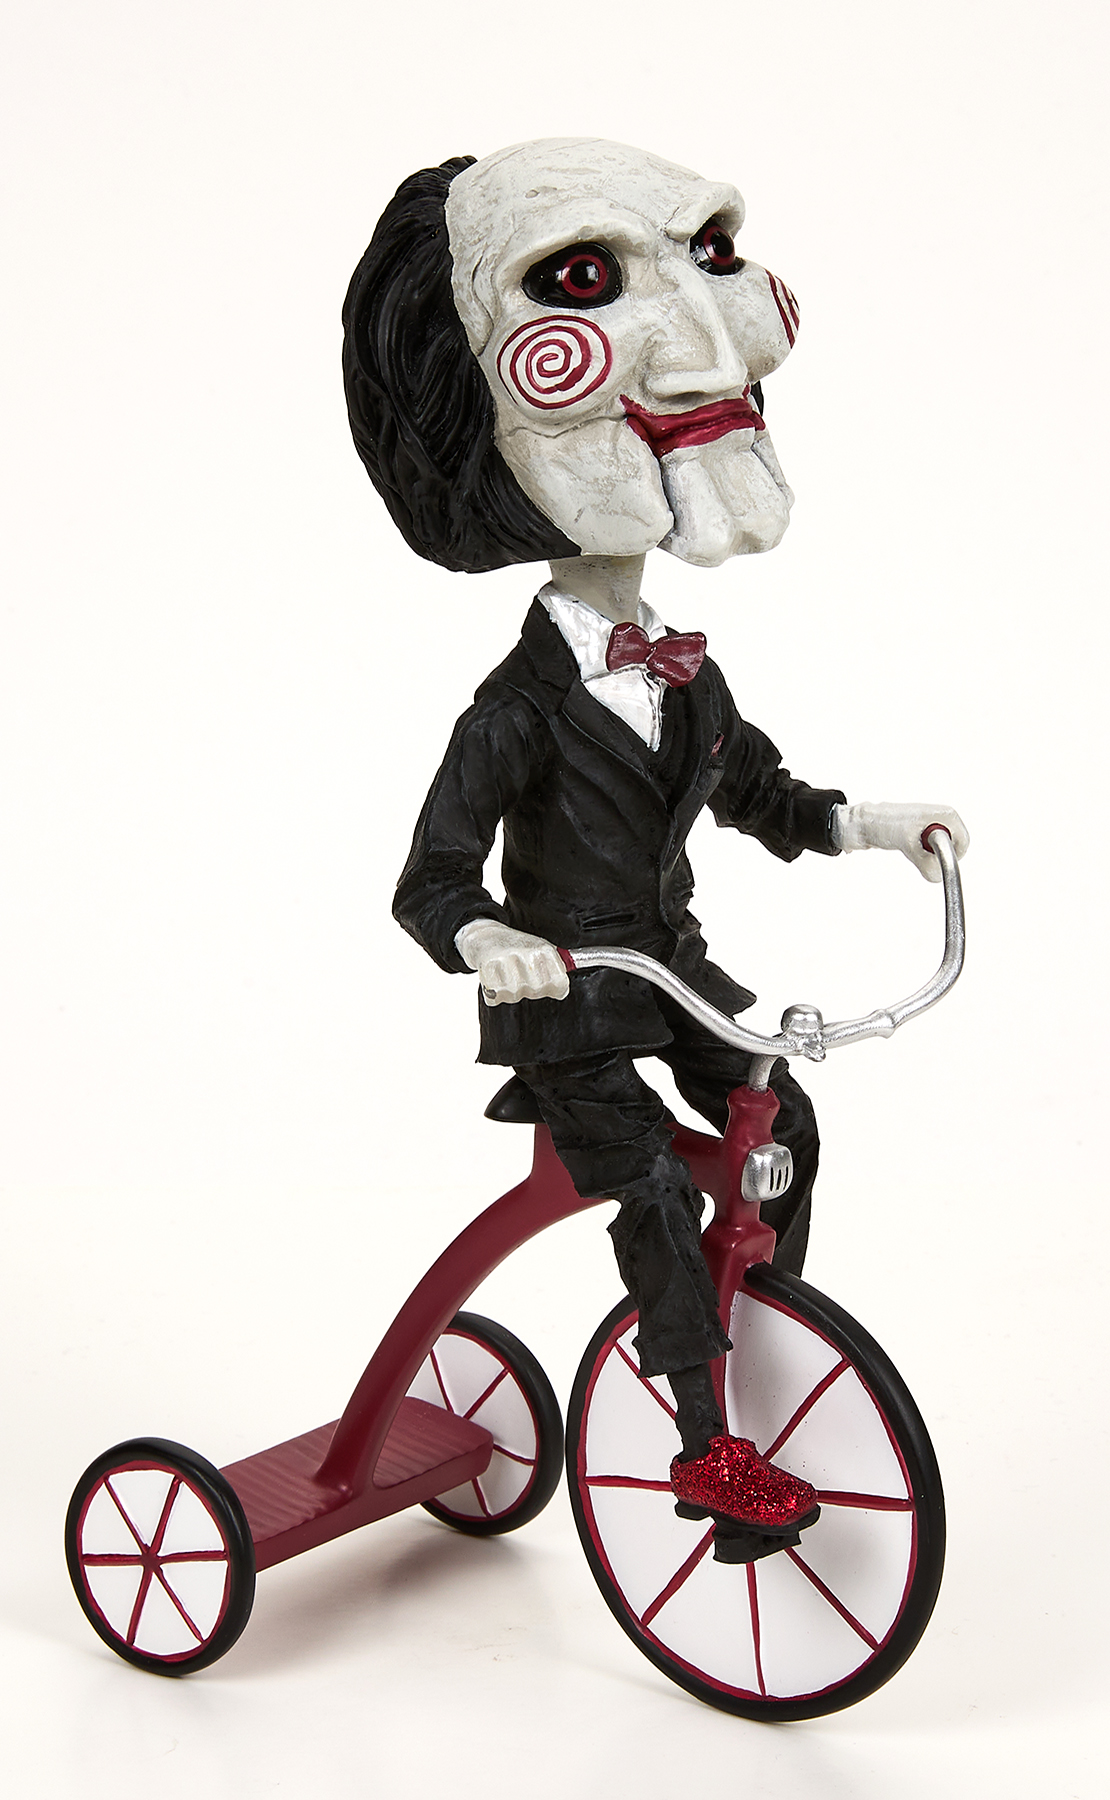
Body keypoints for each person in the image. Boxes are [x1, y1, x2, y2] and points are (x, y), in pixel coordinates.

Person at [343, 139, 968, 1545]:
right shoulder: (514, 710)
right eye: (585, 278)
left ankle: (752, 1328)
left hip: (669, 968)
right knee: (645, 1179)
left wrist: (871, 826)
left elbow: (758, 791)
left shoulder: (686, 672)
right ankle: (701, 1440)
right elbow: (430, 880)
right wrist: (491, 940)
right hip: (569, 1001)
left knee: (780, 1115)